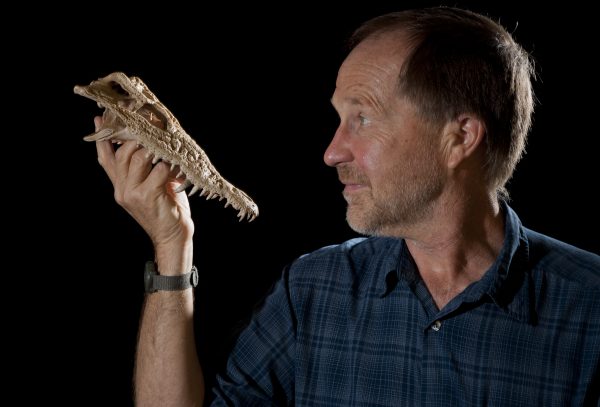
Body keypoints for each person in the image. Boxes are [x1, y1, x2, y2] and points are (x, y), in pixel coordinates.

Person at [94, 7, 599, 406]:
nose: (332, 152)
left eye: (363, 118)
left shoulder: (590, 311)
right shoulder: (312, 291)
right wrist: (171, 247)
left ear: (460, 137)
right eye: (339, 119)